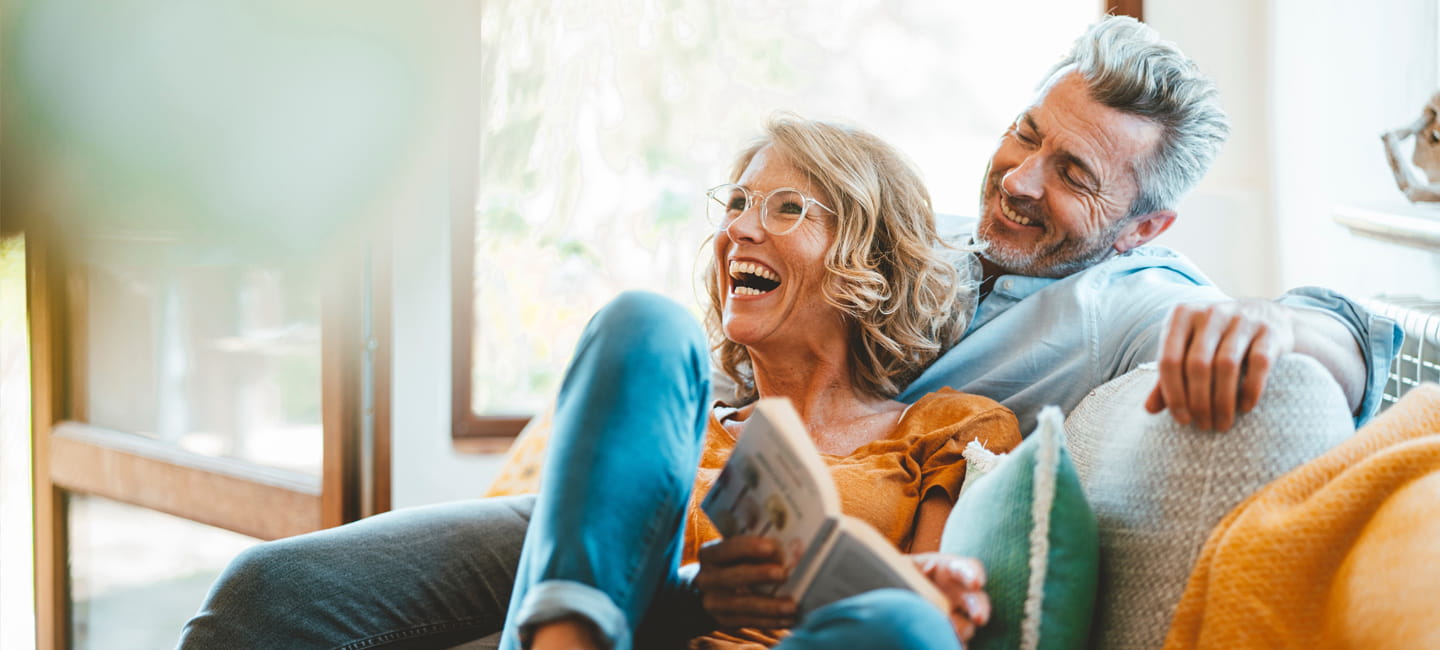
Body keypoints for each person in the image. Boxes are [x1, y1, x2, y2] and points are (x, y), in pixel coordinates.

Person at [178, 116, 1023, 649]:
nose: (738, 228)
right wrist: (689, 599)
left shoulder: (947, 425)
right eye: (736, 203)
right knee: (645, 327)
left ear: (868, 262)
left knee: (900, 621)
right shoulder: (667, 418)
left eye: (786, 208)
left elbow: (929, 602)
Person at [894, 15, 1399, 435]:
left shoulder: (1123, 303)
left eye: (1073, 175)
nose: (1018, 181)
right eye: (1026, 135)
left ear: (1142, 230)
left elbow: (1349, 352)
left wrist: (1278, 324)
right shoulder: (925, 231)